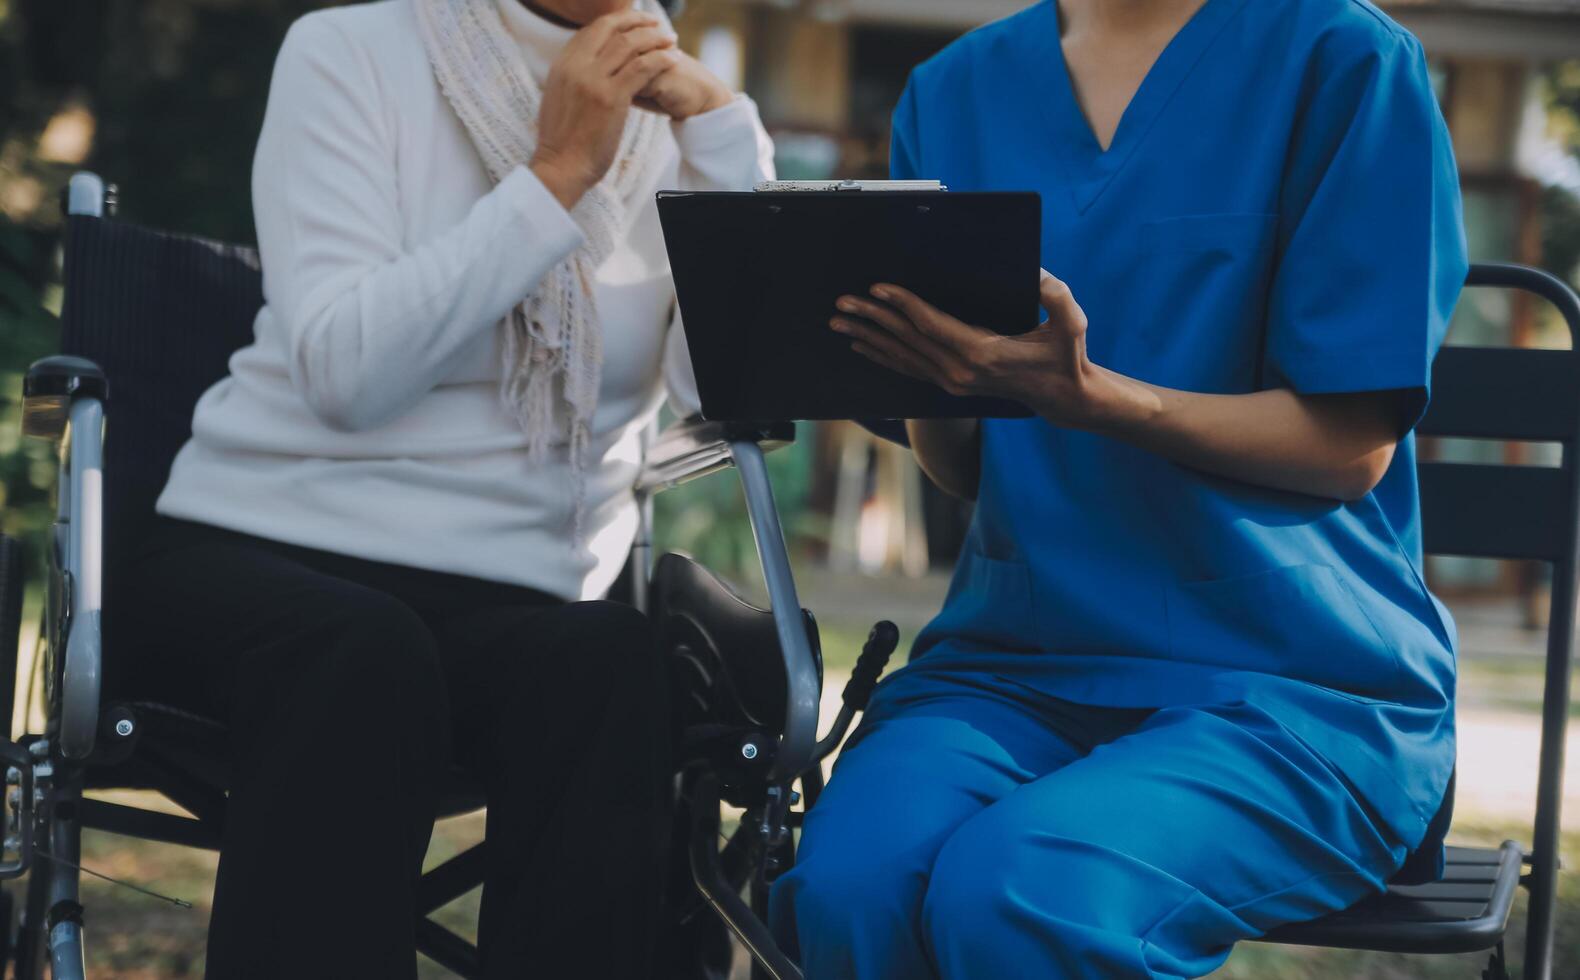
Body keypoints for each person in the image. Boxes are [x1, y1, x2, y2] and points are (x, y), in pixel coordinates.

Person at [770, 1, 1465, 977]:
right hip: (1014, 664)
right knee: (848, 885)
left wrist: (1098, 400)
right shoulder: (953, 89)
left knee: (1021, 891)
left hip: (1293, 680)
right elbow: (965, 465)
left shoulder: (1343, 60)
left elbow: (1350, 446)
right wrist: (933, 369)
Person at [110, 0, 773, 977]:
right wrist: (553, 180)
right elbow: (347, 375)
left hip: (506, 603)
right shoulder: (352, 52)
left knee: (611, 661)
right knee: (366, 649)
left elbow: (737, 391)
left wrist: (720, 136)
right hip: (254, 556)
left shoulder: (677, 124)